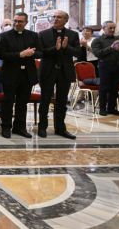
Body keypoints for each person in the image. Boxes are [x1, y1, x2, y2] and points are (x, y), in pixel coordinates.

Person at [37, 10, 81, 139]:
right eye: (54, 17)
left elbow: (78, 53)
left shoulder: (73, 35)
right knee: (45, 100)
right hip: (48, 71)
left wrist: (66, 47)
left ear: (66, 20)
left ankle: (60, 128)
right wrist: (54, 49)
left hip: (64, 71)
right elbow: (40, 53)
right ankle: (42, 127)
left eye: (59, 17)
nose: (55, 19)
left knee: (62, 101)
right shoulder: (43, 34)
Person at [0, 12, 42, 138]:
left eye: (20, 21)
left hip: (27, 74)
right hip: (10, 73)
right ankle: (6, 127)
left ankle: (20, 127)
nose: (17, 24)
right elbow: (1, 54)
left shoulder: (33, 35)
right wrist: (20, 55)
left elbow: (40, 53)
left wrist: (31, 53)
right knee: (8, 101)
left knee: (22, 102)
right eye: (15, 21)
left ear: (26, 23)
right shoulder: (5, 36)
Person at [91, 21, 119, 116]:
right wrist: (111, 47)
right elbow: (98, 54)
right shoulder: (98, 40)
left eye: (114, 28)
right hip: (105, 67)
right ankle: (102, 109)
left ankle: (111, 108)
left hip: (118, 67)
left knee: (115, 89)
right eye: (110, 28)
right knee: (104, 88)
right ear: (104, 28)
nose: (113, 30)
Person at [0, 19, 13, 117]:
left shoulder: (13, 36)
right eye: (6, 24)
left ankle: (8, 110)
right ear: (1, 27)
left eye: (9, 24)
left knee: (10, 89)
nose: (8, 26)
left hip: (11, 67)